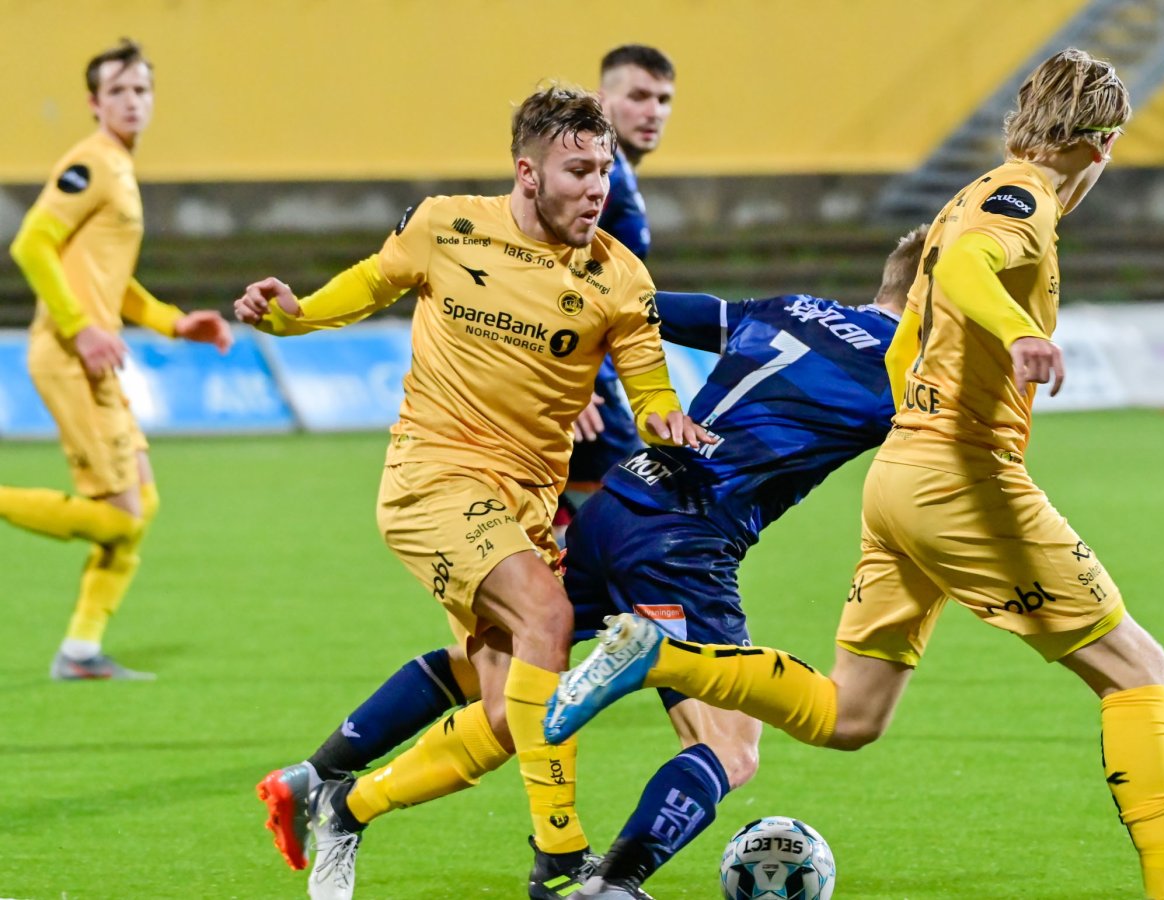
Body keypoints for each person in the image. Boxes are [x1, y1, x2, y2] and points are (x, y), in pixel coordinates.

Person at [548, 49, 1164, 900]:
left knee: (850, 716)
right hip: (961, 481)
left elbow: (917, 320)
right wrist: (1019, 334)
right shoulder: (1020, 200)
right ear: (1102, 143)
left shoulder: (965, 197)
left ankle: (660, 661)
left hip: (900, 479)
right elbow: (973, 266)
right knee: (1139, 670)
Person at [252, 228, 924, 899]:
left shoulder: (790, 309)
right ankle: (610, 884)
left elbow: (634, 306)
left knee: (513, 695)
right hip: (681, 544)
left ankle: (338, 798)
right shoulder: (906, 373)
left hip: (616, 504)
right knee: (729, 748)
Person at [234, 84, 706, 900]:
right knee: (552, 619)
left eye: (604, 170)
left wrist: (670, 421)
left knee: (506, 713)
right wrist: (289, 317)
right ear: (528, 173)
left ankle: (346, 803)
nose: (596, 188)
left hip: (521, 502)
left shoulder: (619, 275)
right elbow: (367, 286)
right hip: (433, 477)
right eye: (577, 170)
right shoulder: (446, 226)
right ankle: (560, 861)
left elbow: (650, 386)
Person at [0, 38, 233, 681]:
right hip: (71, 355)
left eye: (141, 90)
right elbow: (31, 244)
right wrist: (79, 330)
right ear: (94, 103)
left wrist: (174, 322)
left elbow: (110, 280)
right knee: (116, 517)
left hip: (94, 354)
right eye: (119, 92)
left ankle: (80, 651)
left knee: (140, 507)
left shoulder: (120, 171)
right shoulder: (91, 163)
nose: (132, 101)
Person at [564, 45, 678, 535]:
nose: (652, 111)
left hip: (596, 382)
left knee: (587, 538)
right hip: (582, 388)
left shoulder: (617, 178)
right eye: (637, 95)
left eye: (663, 98)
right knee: (626, 534)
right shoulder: (593, 181)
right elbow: (536, 270)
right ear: (601, 99)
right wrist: (567, 378)